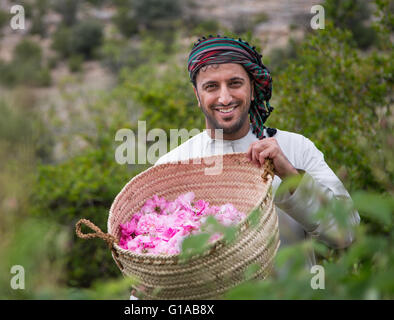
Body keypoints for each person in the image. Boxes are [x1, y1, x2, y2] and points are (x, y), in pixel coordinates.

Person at [154, 35, 361, 267]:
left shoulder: (296, 148)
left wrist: (290, 176)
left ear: (252, 89)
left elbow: (346, 232)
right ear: (197, 96)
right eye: (211, 86)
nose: (224, 97)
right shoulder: (172, 165)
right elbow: (155, 263)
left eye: (235, 83)